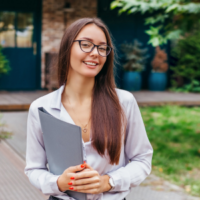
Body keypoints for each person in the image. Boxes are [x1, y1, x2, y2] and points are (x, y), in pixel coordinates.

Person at [24, 18, 153, 200]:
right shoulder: (41, 108)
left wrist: (108, 182)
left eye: (102, 48)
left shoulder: (124, 102)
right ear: (67, 48)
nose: (95, 53)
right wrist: (60, 183)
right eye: (86, 44)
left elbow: (142, 159)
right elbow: (34, 169)